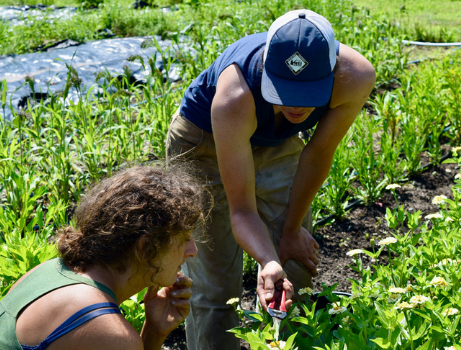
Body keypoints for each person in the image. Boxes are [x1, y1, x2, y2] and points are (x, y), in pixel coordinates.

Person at [165, 9, 375, 350]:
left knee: (297, 260)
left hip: (275, 140)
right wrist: (267, 260)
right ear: (267, 71)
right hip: (204, 143)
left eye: (307, 94)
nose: (295, 105)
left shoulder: (354, 77)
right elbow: (241, 211)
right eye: (284, 91)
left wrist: (290, 232)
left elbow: (317, 154)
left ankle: (290, 341)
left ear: (331, 73)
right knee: (216, 285)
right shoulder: (235, 95)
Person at [0, 164, 240, 350]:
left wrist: (155, 331)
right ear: (146, 248)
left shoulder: (50, 272)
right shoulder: (108, 332)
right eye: (185, 238)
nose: (193, 251)